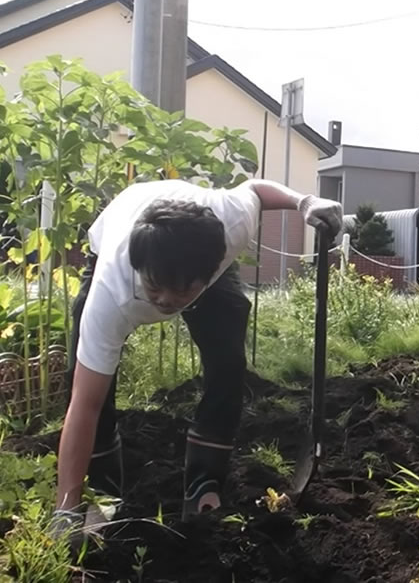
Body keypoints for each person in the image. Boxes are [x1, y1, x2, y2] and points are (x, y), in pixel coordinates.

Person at [50, 177, 342, 538]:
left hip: (193, 249)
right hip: (129, 239)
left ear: (213, 268)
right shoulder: (112, 296)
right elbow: (85, 405)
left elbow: (255, 190)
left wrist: (304, 201)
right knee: (92, 383)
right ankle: (99, 491)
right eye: (155, 289)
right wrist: (65, 508)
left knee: (228, 361)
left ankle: (204, 486)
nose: (166, 302)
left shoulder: (231, 222)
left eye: (182, 292)